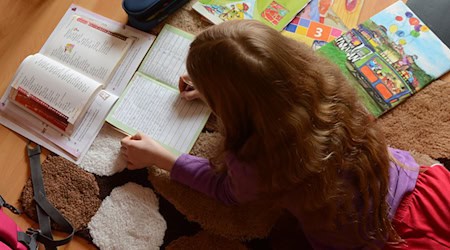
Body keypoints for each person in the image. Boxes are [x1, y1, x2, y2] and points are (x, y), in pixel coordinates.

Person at [120, 20, 450, 249]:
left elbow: (227, 191)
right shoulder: (327, 83)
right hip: (428, 193)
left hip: (378, 239)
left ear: (236, 110)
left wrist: (159, 155)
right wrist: (214, 92)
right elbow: (269, 94)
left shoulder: (254, 160)